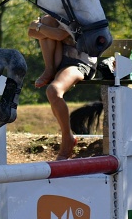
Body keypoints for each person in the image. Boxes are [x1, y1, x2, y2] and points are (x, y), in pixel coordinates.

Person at [28, 14, 99, 160]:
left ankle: (67, 138)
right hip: (60, 60)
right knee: (48, 21)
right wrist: (43, 28)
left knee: (53, 91)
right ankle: (49, 69)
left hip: (79, 62)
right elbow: (31, 33)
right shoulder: (53, 15)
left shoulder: (79, 14)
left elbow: (60, 35)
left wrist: (38, 26)